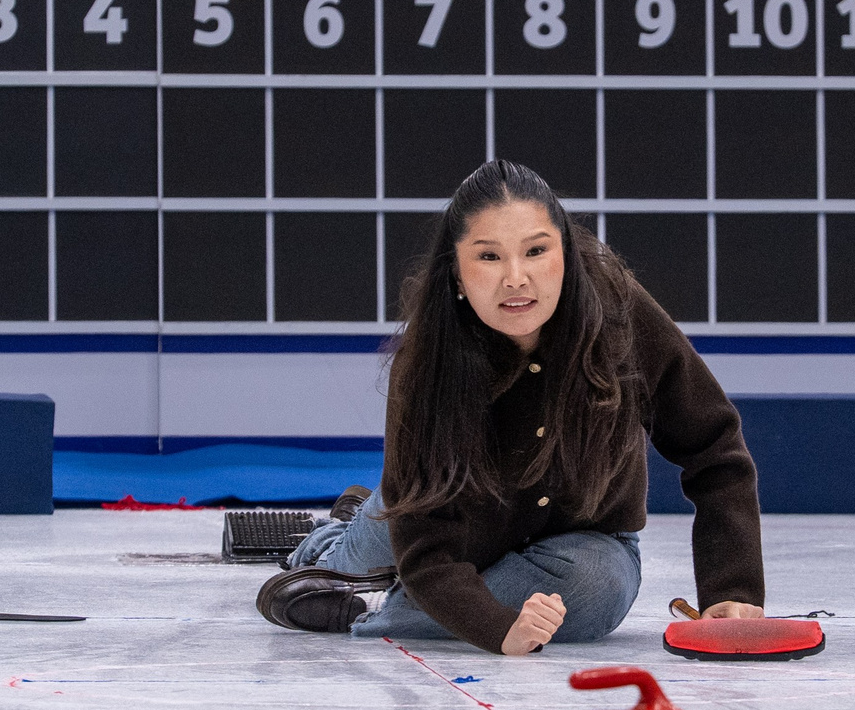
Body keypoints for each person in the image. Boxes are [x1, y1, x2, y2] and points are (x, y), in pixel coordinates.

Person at [256, 159, 768, 652]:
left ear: (565, 255)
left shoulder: (619, 314)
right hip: (444, 520)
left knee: (594, 589)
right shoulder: (426, 357)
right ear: (457, 275)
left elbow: (713, 447)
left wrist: (732, 589)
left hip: (580, 540)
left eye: (536, 251)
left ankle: (370, 607)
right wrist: (499, 626)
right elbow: (426, 548)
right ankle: (330, 548)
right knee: (381, 541)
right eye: (488, 256)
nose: (516, 278)